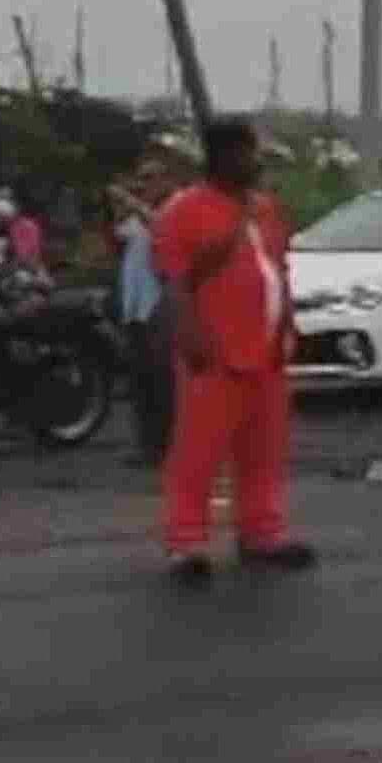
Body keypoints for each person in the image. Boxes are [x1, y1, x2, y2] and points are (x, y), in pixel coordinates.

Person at [152, 116, 313, 586]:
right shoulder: (185, 210)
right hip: (215, 350)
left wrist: (287, 325)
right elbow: (177, 281)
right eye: (245, 152)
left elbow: (278, 272)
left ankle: (262, 534)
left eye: (254, 151)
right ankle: (186, 545)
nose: (254, 161)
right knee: (198, 452)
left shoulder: (266, 209)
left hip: (267, 352)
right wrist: (189, 334)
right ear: (220, 157)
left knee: (265, 450)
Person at [112, 163, 181, 468]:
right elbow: (119, 237)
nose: (145, 185)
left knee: (164, 380)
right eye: (142, 180)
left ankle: (171, 447)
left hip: (161, 306)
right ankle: (149, 447)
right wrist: (119, 209)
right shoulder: (139, 216)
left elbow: (164, 228)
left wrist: (132, 204)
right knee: (141, 381)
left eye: (151, 179)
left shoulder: (176, 208)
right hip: (136, 307)